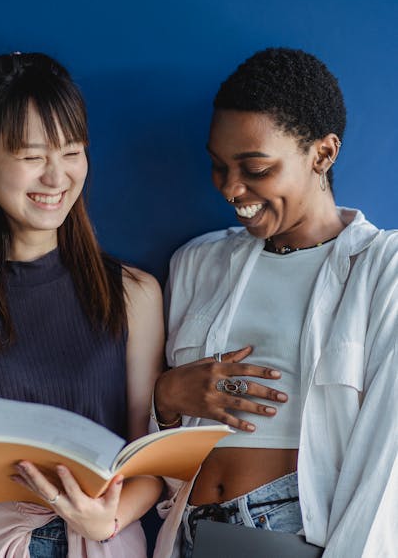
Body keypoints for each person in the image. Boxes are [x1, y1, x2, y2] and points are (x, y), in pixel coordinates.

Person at [0, 52, 164, 557]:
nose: (56, 177)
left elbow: (147, 455)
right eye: (31, 156)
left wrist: (108, 519)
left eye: (72, 151)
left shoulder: (134, 293)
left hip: (104, 541)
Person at [152, 48, 397, 558]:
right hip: (188, 531)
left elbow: (385, 463)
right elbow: (157, 449)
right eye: (218, 166)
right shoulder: (197, 263)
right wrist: (167, 401)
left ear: (323, 155)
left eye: (256, 168)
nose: (231, 188)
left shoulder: (383, 268)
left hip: (294, 531)